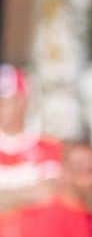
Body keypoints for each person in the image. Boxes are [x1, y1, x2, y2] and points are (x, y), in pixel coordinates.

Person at [0, 65, 62, 211]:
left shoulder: (48, 146)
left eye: (3, 101)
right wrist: (28, 194)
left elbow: (49, 194)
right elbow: (38, 195)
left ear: (22, 101)